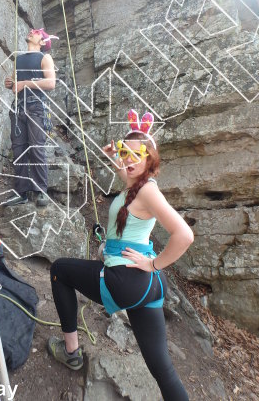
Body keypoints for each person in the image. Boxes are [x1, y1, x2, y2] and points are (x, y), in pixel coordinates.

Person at [47, 109, 193, 401]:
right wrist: (118, 153)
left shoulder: (148, 193)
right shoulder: (136, 187)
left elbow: (184, 235)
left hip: (129, 278)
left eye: (134, 155)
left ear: (150, 160)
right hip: (148, 287)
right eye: (125, 153)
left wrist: (153, 263)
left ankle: (71, 352)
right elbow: (126, 168)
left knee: (59, 270)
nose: (126, 160)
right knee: (162, 370)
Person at [4, 28, 57, 207]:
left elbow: (51, 83)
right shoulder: (19, 60)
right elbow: (14, 87)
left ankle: (41, 190)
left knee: (35, 148)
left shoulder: (45, 58)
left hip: (35, 107)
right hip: (20, 108)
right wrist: (10, 83)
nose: (31, 32)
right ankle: (21, 192)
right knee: (18, 151)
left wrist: (24, 83)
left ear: (42, 42)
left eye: (36, 32)